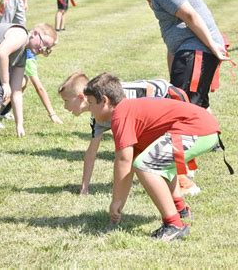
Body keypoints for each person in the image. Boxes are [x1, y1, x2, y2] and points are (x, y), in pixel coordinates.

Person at [84, 73, 222, 241]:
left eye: (90, 103)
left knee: (146, 165)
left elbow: (123, 161)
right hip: (203, 127)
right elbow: (128, 166)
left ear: (105, 101)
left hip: (197, 129)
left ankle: (174, 225)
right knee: (150, 160)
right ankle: (180, 210)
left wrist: (115, 201)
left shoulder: (121, 115)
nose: (89, 108)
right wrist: (119, 201)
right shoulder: (127, 110)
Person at [58, 72, 200, 197]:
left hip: (168, 96)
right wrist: (85, 188)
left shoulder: (118, 95)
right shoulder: (98, 116)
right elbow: (91, 153)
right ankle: (180, 175)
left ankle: (185, 183)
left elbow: (148, 90)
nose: (65, 107)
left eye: (66, 101)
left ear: (81, 97)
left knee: (160, 147)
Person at [125, 0, 231, 111]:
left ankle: (192, 135)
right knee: (193, 104)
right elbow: (174, 34)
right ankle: (207, 134)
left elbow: (190, 16)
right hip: (190, 52)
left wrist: (213, 46)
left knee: (186, 107)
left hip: (195, 52)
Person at [0, 49, 63, 126]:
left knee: (24, 80)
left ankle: (3, 112)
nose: (51, 49)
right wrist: (52, 114)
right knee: (21, 82)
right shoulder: (28, 57)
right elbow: (39, 88)